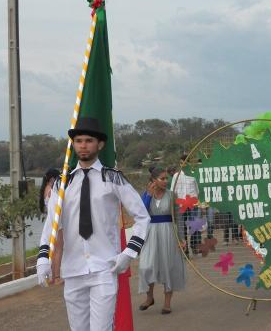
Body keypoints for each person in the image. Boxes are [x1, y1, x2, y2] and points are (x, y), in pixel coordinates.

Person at [36, 117, 150, 331]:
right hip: (73, 270)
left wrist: (129, 252)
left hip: (104, 268)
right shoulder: (62, 183)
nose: (83, 145)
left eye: (89, 140)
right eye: (78, 140)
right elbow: (51, 225)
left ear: (100, 144)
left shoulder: (113, 178)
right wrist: (43, 258)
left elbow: (142, 216)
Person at [138, 167, 186, 315]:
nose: (166, 181)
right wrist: (148, 195)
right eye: (162, 178)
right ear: (153, 181)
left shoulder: (172, 196)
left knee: (168, 266)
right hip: (151, 233)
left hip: (168, 234)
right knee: (146, 266)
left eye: (167, 178)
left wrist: (181, 238)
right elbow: (140, 213)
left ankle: (167, 303)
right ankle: (150, 297)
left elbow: (178, 219)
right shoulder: (146, 196)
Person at [171, 155, 200, 257]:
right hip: (180, 205)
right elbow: (173, 191)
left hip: (192, 204)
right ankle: (185, 249)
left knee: (194, 225)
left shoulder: (194, 174)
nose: (184, 164)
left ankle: (194, 245)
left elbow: (197, 190)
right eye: (182, 162)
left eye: (186, 162)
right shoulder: (176, 176)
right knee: (181, 227)